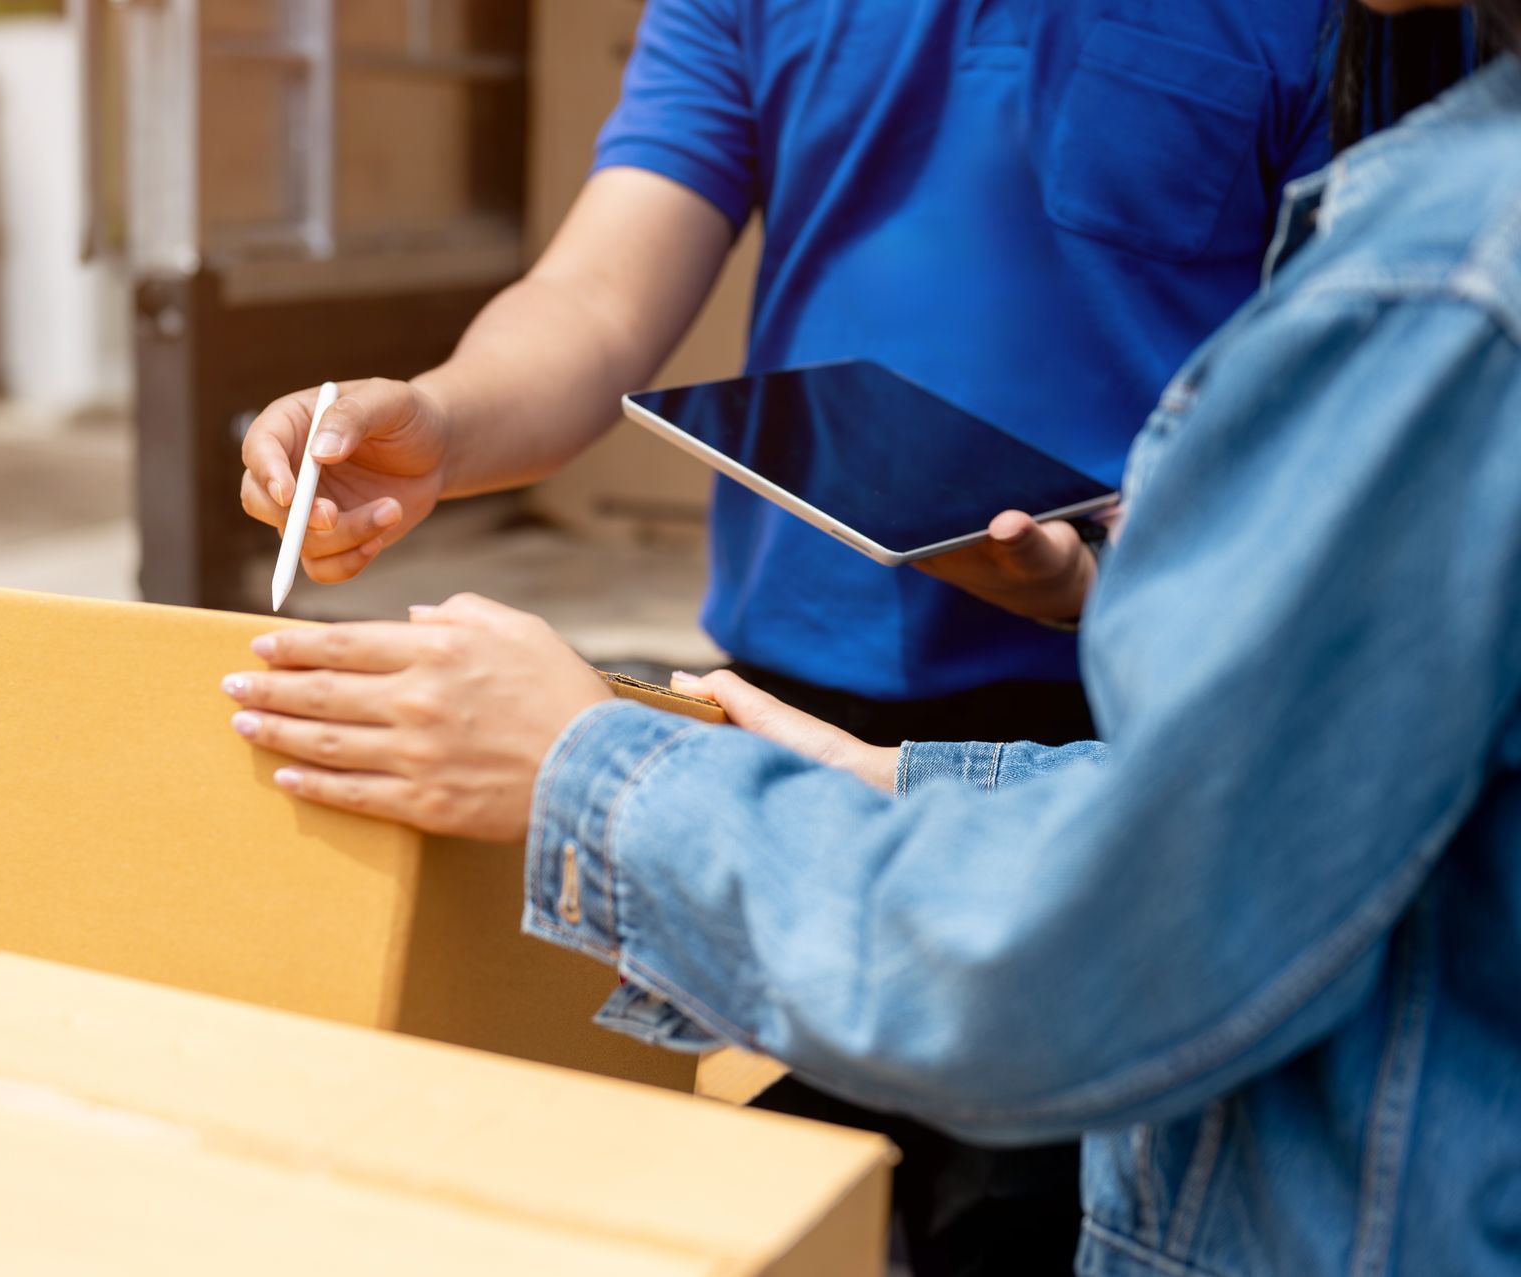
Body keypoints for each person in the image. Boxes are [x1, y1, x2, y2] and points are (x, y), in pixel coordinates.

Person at [220, 2, 1521, 1273]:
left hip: (1138, 728)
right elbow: (596, 297)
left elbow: (1352, 394)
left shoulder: (1376, 66)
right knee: (776, 1199)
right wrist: (442, 418)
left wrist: (1109, 567)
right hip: (775, 720)